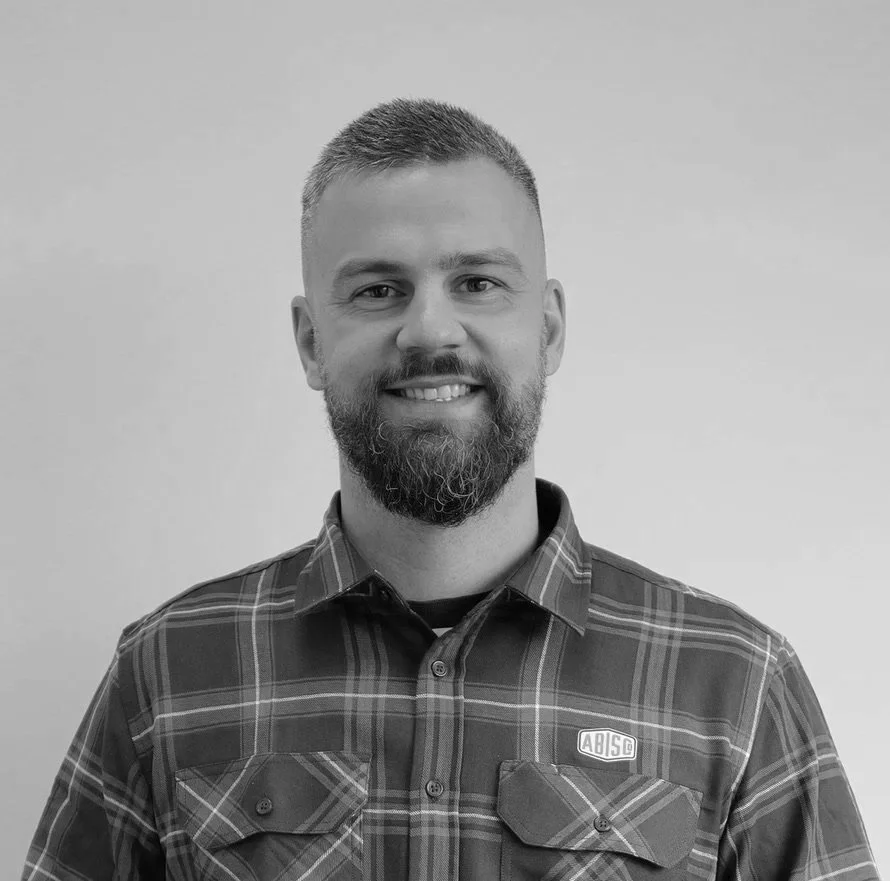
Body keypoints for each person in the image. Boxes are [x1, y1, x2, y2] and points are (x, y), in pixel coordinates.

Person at [22, 98, 878, 881]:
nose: (430, 329)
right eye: (379, 289)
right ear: (311, 341)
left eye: (476, 282)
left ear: (546, 329)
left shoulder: (733, 683)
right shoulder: (167, 673)